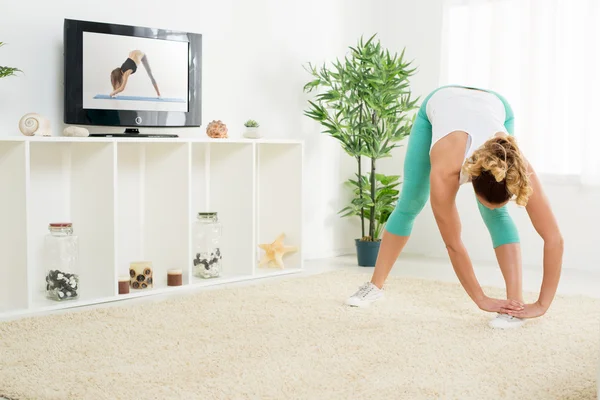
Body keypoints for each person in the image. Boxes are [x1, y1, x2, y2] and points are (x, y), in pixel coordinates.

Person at [345, 85, 564, 329]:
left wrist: (542, 305)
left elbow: (554, 238)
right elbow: (453, 243)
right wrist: (481, 299)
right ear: (470, 178)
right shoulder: (446, 169)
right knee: (410, 203)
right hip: (440, 102)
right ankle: (374, 286)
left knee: (497, 215)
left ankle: (515, 303)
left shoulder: (516, 165)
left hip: (494, 104)